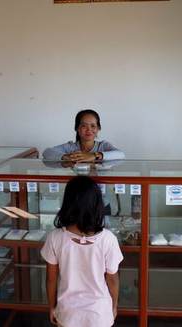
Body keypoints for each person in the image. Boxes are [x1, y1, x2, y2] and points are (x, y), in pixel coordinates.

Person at [41, 176, 123, 327]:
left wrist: (52, 307)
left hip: (68, 314)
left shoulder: (55, 237)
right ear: (97, 204)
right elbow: (113, 279)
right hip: (100, 314)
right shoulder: (108, 239)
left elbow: (51, 279)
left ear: (67, 203)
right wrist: (114, 305)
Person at [42, 109, 125, 162]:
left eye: (93, 126)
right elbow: (46, 152)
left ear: (98, 128)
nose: (89, 130)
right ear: (77, 128)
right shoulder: (70, 147)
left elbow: (121, 154)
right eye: (84, 126)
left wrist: (93, 156)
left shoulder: (103, 146)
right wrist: (66, 157)